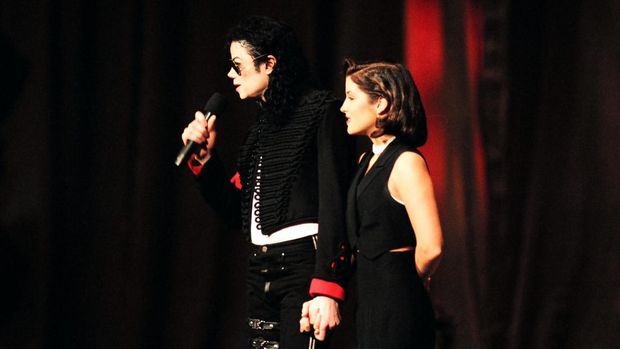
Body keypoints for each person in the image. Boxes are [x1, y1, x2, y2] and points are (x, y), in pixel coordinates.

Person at [180, 16, 353, 348]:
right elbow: (235, 211)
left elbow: (335, 200)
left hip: (304, 266)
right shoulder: (260, 129)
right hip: (261, 269)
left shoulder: (321, 110)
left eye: (238, 65)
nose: (231, 74)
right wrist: (204, 160)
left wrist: (328, 285)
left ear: (269, 63)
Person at [301, 60, 443, 348]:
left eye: (352, 97)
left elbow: (432, 246)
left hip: (398, 301)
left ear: (381, 104)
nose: (343, 108)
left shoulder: (406, 162)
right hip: (368, 301)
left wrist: (406, 280)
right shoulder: (365, 161)